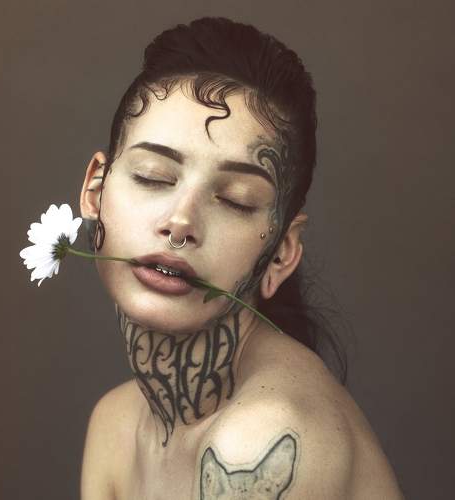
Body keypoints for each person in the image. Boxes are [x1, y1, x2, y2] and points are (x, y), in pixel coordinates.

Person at [78, 17, 404, 499]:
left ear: (281, 254)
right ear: (95, 191)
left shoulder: (259, 440)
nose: (180, 221)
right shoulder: (116, 423)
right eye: (152, 176)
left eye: (234, 200)